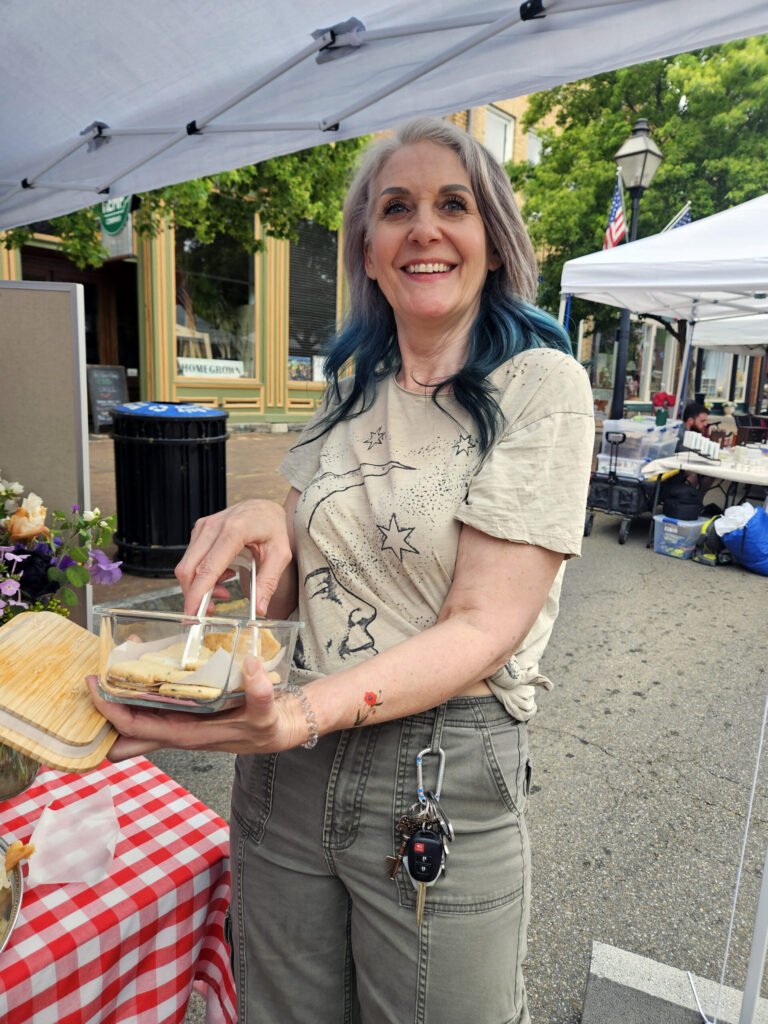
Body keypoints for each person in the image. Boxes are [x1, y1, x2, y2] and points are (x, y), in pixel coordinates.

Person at [88, 118, 594, 1024]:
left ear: (493, 238)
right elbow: (298, 589)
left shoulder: (540, 386)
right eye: (395, 207)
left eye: (453, 205)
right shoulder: (350, 388)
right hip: (286, 775)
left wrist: (295, 715)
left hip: (440, 766)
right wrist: (263, 533)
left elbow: (485, 625)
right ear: (366, 246)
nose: (424, 228)